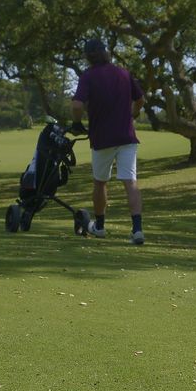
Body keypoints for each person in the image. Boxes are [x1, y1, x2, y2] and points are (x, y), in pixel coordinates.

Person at [70, 37, 145, 244]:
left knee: (100, 182)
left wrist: (76, 123)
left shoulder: (88, 76)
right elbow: (140, 99)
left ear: (88, 56)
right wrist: (132, 114)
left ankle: (100, 226)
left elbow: (77, 105)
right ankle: (137, 230)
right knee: (130, 182)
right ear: (106, 52)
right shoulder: (123, 73)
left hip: (102, 138)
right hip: (127, 137)